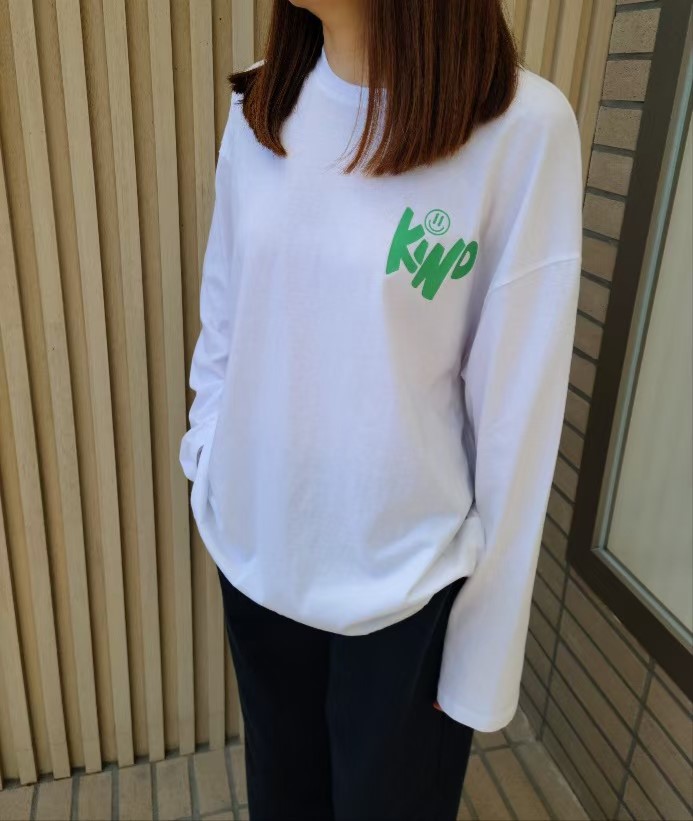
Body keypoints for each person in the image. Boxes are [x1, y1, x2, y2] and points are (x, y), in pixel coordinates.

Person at [179, 0, 583, 818]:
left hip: (407, 589)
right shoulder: (259, 106)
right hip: (257, 558)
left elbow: (516, 421)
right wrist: (208, 459)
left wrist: (478, 657)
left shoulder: (518, 129)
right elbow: (224, 318)